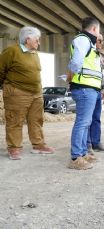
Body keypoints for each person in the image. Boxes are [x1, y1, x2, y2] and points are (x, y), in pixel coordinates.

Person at [0, 26, 55, 160]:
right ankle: (14, 148)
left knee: (36, 120)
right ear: (27, 39)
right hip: (17, 93)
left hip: (36, 94)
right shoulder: (12, 51)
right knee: (15, 120)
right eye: (37, 39)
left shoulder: (34, 53)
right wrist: (6, 87)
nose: (39, 42)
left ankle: (38, 144)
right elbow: (0, 70)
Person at [67, 17, 102, 170]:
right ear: (94, 29)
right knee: (82, 122)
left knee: (85, 122)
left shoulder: (90, 43)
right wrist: (70, 76)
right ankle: (75, 158)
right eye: (99, 30)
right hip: (84, 87)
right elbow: (76, 62)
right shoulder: (83, 40)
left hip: (89, 88)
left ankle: (82, 153)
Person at [87, 34, 104, 153]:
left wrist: (103, 88)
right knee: (87, 119)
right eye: (99, 41)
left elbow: (100, 74)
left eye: (102, 41)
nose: (101, 43)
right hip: (88, 89)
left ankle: (96, 142)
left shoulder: (99, 56)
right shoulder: (87, 53)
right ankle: (88, 144)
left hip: (97, 90)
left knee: (96, 118)